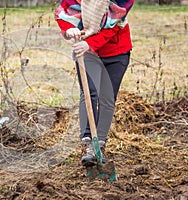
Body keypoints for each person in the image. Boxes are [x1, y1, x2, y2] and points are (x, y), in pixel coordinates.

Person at [56, 0, 134, 166]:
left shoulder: (120, 2)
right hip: (87, 53)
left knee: (107, 98)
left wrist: (90, 43)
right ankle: (87, 145)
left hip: (116, 53)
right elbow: (64, 12)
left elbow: (113, 26)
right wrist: (69, 29)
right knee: (89, 93)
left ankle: (100, 144)